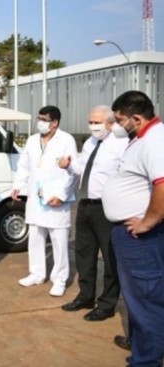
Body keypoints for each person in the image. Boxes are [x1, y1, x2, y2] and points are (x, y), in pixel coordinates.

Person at [101, 90, 164, 366]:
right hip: (130, 235)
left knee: (146, 299)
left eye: (118, 120)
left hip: (141, 237)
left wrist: (147, 222)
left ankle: (146, 361)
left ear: (136, 118)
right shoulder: (142, 139)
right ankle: (142, 351)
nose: (115, 126)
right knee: (137, 298)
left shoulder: (155, 141)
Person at [58, 105, 128, 321]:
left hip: (107, 207)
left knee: (109, 258)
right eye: (91, 122)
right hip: (85, 204)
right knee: (84, 253)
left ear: (110, 123)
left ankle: (106, 304)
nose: (92, 126)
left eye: (97, 122)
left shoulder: (121, 144)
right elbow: (80, 168)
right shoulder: (90, 142)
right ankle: (86, 296)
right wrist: (68, 166)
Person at [11, 106, 77, 297]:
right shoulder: (32, 140)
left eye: (44, 119)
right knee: (35, 238)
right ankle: (37, 273)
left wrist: (62, 195)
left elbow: (72, 172)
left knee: (59, 241)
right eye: (38, 118)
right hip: (35, 197)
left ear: (55, 122)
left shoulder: (66, 140)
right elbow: (23, 165)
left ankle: (60, 279)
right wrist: (18, 185)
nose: (39, 122)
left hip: (55, 198)